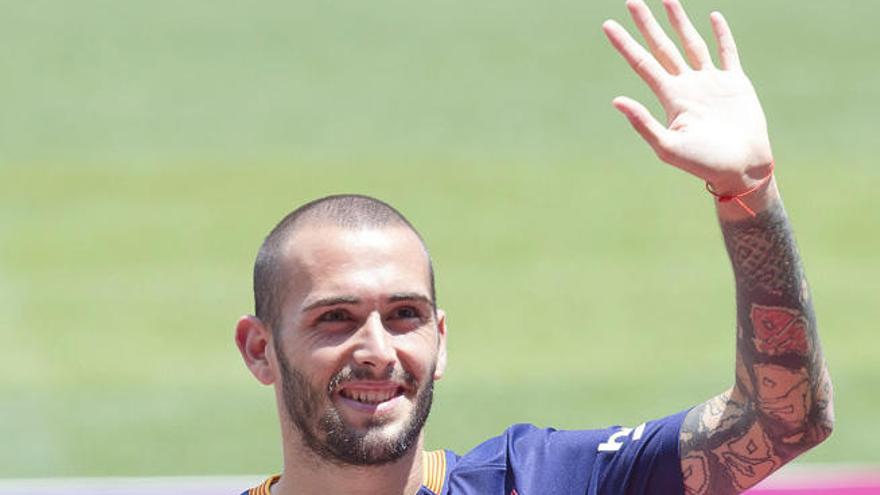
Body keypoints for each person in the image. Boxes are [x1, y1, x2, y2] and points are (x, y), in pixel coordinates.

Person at [234, 0, 834, 493]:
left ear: (440, 341)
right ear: (260, 349)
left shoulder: (542, 480)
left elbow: (784, 420)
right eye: (334, 318)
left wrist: (747, 193)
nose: (376, 349)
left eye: (404, 315)